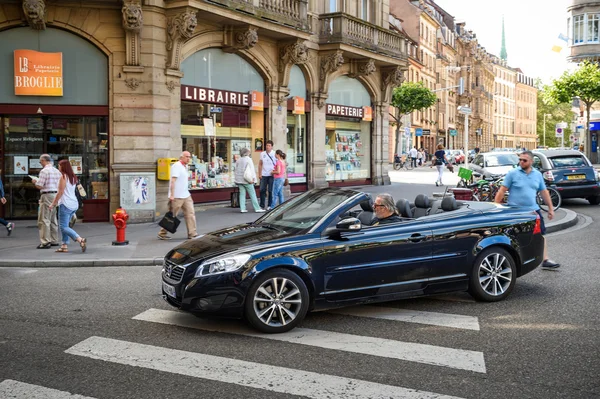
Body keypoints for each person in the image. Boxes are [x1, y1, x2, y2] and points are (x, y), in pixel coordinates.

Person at [494, 150, 560, 270]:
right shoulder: (512, 173)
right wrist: (495, 207)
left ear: (531, 161)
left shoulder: (537, 175)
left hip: (533, 211)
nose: (521, 162)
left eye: (524, 160)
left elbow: (544, 192)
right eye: (520, 160)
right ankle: (513, 261)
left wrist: (550, 208)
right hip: (515, 211)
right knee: (514, 236)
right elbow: (502, 190)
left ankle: (545, 259)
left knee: (541, 234)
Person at [157, 151, 198, 240]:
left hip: (186, 194)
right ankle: (162, 233)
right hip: (177, 196)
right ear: (181, 157)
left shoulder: (185, 166)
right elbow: (173, 181)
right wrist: (172, 195)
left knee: (190, 213)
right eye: (187, 157)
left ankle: (192, 233)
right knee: (172, 215)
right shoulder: (177, 166)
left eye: (189, 157)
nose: (188, 158)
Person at [49, 160, 86, 253]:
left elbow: (60, 192)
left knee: (63, 227)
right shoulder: (73, 177)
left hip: (65, 204)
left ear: (63, 167)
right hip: (74, 204)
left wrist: (53, 203)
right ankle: (64, 245)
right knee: (66, 225)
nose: (58, 167)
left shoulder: (63, 177)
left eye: (59, 166)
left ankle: (80, 239)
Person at [32, 154, 61, 249]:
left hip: (47, 195)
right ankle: (54, 239)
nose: (40, 164)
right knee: (53, 218)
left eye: (41, 162)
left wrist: (35, 182)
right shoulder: (57, 171)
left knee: (44, 219)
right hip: (55, 195)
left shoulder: (44, 171)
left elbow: (40, 186)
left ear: (44, 161)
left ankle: (45, 241)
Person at [233, 147, 265, 213]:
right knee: (252, 194)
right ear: (246, 153)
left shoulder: (238, 160)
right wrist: (254, 180)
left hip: (239, 180)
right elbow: (251, 170)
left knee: (242, 194)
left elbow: (236, 170)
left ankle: (242, 208)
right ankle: (257, 208)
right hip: (247, 180)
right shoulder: (248, 159)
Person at [258, 140, 276, 210]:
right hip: (264, 174)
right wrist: (259, 173)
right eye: (266, 145)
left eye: (269, 146)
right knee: (262, 190)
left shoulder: (274, 154)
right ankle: (262, 205)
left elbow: (278, 164)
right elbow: (260, 164)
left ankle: (270, 205)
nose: (267, 147)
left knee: (270, 190)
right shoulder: (262, 154)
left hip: (271, 174)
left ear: (271, 147)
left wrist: (275, 172)